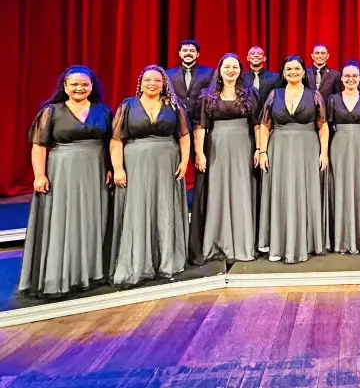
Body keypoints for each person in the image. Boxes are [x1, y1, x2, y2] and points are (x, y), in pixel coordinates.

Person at [19, 65, 113, 297]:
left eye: (85, 84)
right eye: (74, 84)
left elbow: (111, 142)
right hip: (62, 172)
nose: (79, 88)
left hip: (94, 172)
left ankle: (91, 273)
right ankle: (60, 275)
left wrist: (111, 168)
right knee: (63, 220)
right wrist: (39, 175)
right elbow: (39, 146)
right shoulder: (51, 111)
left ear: (92, 87)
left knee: (93, 219)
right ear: (65, 86)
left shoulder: (103, 110)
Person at [109, 65, 191, 287]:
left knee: (165, 207)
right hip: (136, 163)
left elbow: (184, 135)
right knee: (139, 208)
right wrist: (118, 168)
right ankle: (138, 262)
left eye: (157, 80)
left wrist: (184, 161)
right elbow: (116, 140)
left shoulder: (173, 106)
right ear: (140, 82)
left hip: (167, 163)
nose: (152, 84)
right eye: (147, 80)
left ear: (164, 83)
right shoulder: (128, 105)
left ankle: (167, 261)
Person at [259, 55, 329, 263]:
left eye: (297, 68)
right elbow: (264, 125)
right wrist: (262, 151)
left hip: (307, 148)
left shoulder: (314, 95)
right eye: (288, 69)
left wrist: (323, 153)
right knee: (280, 193)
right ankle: (279, 244)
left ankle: (306, 243)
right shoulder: (274, 94)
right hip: (279, 149)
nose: (293, 72)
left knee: (305, 193)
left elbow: (323, 126)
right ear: (283, 72)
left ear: (303, 72)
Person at [193, 54, 260, 264]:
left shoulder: (250, 94)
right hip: (217, 147)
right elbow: (201, 126)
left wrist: (259, 149)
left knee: (242, 192)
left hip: (243, 146)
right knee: (217, 192)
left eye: (235, 67)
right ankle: (216, 243)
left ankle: (243, 244)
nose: (231, 70)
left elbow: (257, 124)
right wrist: (199, 153)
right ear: (219, 70)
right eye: (227, 67)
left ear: (240, 70)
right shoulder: (207, 95)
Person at [328, 60, 360, 253]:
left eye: (354, 75)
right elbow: (326, 127)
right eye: (347, 75)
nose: (351, 79)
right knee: (340, 189)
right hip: (339, 147)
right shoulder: (333, 99)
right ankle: (341, 241)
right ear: (342, 78)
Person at [166, 40, 214, 123]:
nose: (188, 53)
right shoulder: (168, 74)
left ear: (197, 54)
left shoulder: (208, 72)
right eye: (185, 51)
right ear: (179, 53)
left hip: (199, 121)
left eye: (192, 51)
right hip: (176, 121)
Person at [242, 46, 281, 112]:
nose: (256, 55)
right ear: (248, 58)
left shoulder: (275, 77)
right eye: (252, 53)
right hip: (246, 117)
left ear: (264, 58)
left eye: (259, 54)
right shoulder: (242, 78)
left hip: (268, 117)